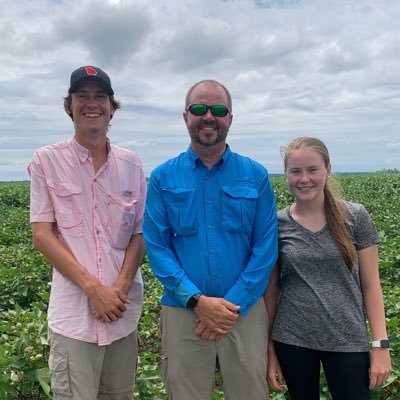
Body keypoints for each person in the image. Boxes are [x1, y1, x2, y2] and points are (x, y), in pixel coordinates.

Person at [143, 79, 278, 400]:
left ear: (230, 118)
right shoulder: (163, 176)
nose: (208, 116)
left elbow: (265, 246)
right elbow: (157, 247)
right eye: (199, 108)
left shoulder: (255, 174)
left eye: (218, 109)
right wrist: (196, 301)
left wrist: (232, 306)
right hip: (182, 312)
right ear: (185, 116)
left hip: (242, 313)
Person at [28, 65, 147, 400]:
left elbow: (139, 233)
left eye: (100, 96)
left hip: (122, 315)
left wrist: (119, 287)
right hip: (74, 320)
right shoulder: (45, 161)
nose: (91, 103)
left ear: (112, 107)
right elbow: (42, 235)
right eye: (82, 96)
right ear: (69, 105)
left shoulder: (132, 164)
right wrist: (95, 290)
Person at [264, 137, 392, 400]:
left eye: (312, 169)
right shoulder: (277, 224)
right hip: (292, 340)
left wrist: (380, 345)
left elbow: (371, 285)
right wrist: (269, 350)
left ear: (328, 170)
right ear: (286, 174)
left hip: (348, 338)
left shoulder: (355, 217)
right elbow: (272, 291)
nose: (304, 178)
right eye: (295, 171)